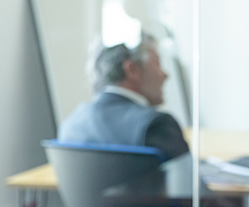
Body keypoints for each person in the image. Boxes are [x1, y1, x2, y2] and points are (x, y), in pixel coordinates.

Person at [59, 34, 189, 160]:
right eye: (157, 63)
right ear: (132, 69)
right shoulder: (155, 124)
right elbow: (189, 181)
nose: (165, 74)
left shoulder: (70, 127)